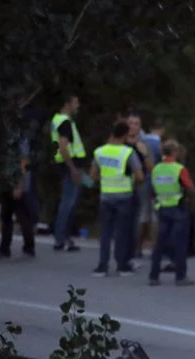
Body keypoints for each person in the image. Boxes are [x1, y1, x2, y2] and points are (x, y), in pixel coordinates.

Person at [89, 121, 144, 277]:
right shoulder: (127, 152)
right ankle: (121, 266)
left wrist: (106, 178)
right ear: (125, 135)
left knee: (105, 232)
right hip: (124, 195)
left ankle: (102, 266)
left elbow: (93, 175)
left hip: (106, 195)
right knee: (122, 233)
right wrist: (130, 177)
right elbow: (139, 176)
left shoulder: (99, 152)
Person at [148, 139, 195, 287]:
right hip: (178, 207)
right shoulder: (179, 169)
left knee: (160, 243)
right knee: (180, 243)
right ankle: (181, 276)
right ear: (175, 152)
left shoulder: (156, 169)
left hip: (162, 207)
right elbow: (190, 187)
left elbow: (153, 189)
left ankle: (153, 276)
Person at [50, 95, 88, 252]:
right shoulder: (65, 122)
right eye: (75, 103)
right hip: (71, 165)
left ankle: (64, 237)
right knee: (68, 203)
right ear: (68, 104)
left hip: (67, 164)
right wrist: (72, 168)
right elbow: (64, 146)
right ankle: (61, 239)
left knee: (67, 202)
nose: (77, 106)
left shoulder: (57, 120)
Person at [0, 136, 37, 258]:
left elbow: (24, 162)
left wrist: (19, 185)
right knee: (6, 215)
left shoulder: (18, 137)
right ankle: (5, 248)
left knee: (22, 215)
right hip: (7, 181)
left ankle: (28, 247)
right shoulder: (5, 134)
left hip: (17, 182)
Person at [126, 113, 156, 261]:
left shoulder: (145, 143)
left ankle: (137, 247)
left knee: (142, 215)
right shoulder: (120, 142)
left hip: (141, 183)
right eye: (130, 123)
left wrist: (144, 154)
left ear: (140, 127)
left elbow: (151, 168)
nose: (133, 127)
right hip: (122, 183)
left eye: (136, 124)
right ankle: (126, 246)